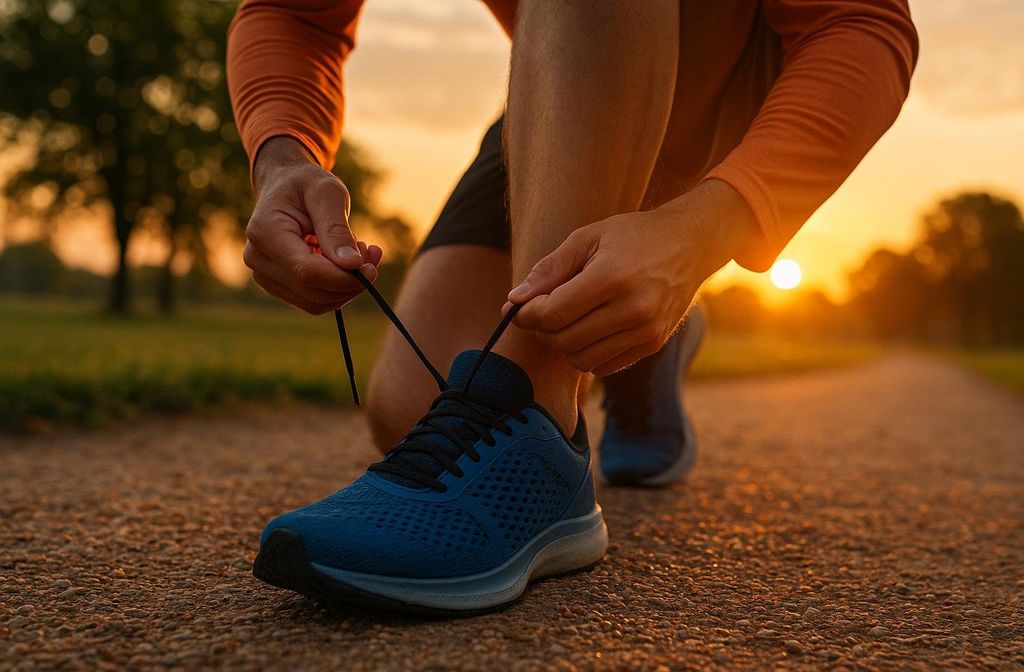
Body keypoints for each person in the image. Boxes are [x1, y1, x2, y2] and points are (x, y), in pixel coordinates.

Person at [227, 0, 917, 613]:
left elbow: (861, 22)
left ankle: (535, 410)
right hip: (575, 83)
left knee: (494, 407)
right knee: (413, 401)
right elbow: (294, 13)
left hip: (755, 100)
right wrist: (283, 158)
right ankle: (633, 337)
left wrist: (707, 229)